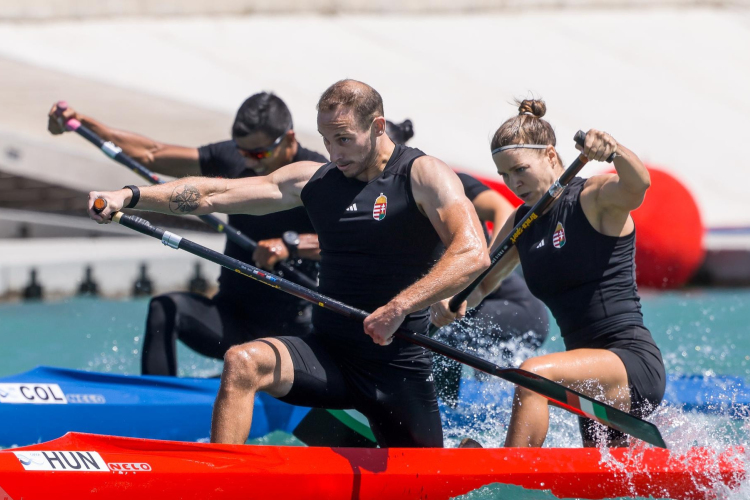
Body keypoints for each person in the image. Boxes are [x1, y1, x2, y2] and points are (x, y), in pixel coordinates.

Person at [87, 79, 490, 448]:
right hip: (328, 355)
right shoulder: (315, 180)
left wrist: (401, 306)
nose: (334, 153)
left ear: (378, 126)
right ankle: (219, 481)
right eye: (327, 140)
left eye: (344, 139)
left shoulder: (421, 174)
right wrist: (132, 195)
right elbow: (213, 194)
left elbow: (473, 251)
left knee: (425, 485)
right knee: (243, 363)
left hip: (396, 365)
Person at [431, 99, 665, 447]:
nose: (513, 182)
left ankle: (505, 474)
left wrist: (614, 150)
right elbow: (480, 286)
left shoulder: (594, 198)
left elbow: (638, 185)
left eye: (520, 169)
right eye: (504, 175)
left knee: (532, 375)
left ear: (552, 157)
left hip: (629, 362)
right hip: (581, 373)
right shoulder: (521, 223)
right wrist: (445, 303)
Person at [49, 94, 328, 376]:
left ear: (289, 139)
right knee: (165, 308)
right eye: (242, 152)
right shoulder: (234, 158)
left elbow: (353, 239)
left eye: (258, 154)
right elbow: (152, 153)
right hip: (232, 318)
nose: (248, 161)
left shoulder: (317, 176)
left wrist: (290, 246)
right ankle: (159, 403)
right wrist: (84, 124)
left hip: (292, 333)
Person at [386, 119, 549, 407]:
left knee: (442, 335)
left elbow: (504, 208)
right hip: (465, 306)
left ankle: (438, 416)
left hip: (514, 308)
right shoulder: (378, 198)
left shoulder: (442, 182)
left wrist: (476, 261)